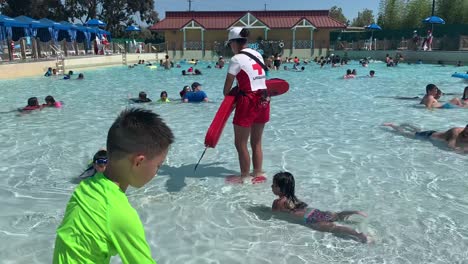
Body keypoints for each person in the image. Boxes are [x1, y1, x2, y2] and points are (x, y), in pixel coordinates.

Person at [53, 108, 174, 263]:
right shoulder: (121, 214)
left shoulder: (87, 186)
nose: (156, 172)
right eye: (158, 165)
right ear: (138, 162)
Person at [223, 27, 269, 183]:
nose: (230, 48)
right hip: (264, 99)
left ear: (234, 43)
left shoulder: (236, 59)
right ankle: (258, 174)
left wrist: (231, 97)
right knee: (256, 141)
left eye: (230, 44)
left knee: (240, 143)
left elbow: (226, 89)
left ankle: (244, 177)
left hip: (248, 102)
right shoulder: (258, 55)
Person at [271, 172, 368, 243]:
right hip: (313, 212)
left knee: (335, 228)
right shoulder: (294, 198)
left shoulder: (278, 202)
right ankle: (353, 212)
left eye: (274, 185)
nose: (271, 186)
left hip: (309, 219)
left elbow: (274, 215)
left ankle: (358, 235)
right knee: (336, 215)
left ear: (281, 189)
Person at [383, 123, 468, 152]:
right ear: (465, 127)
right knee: (403, 133)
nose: (466, 134)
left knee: (417, 131)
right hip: (429, 136)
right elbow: (450, 147)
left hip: (434, 136)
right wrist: (464, 151)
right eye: (466, 131)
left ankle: (407, 124)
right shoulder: (456, 131)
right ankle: (392, 126)